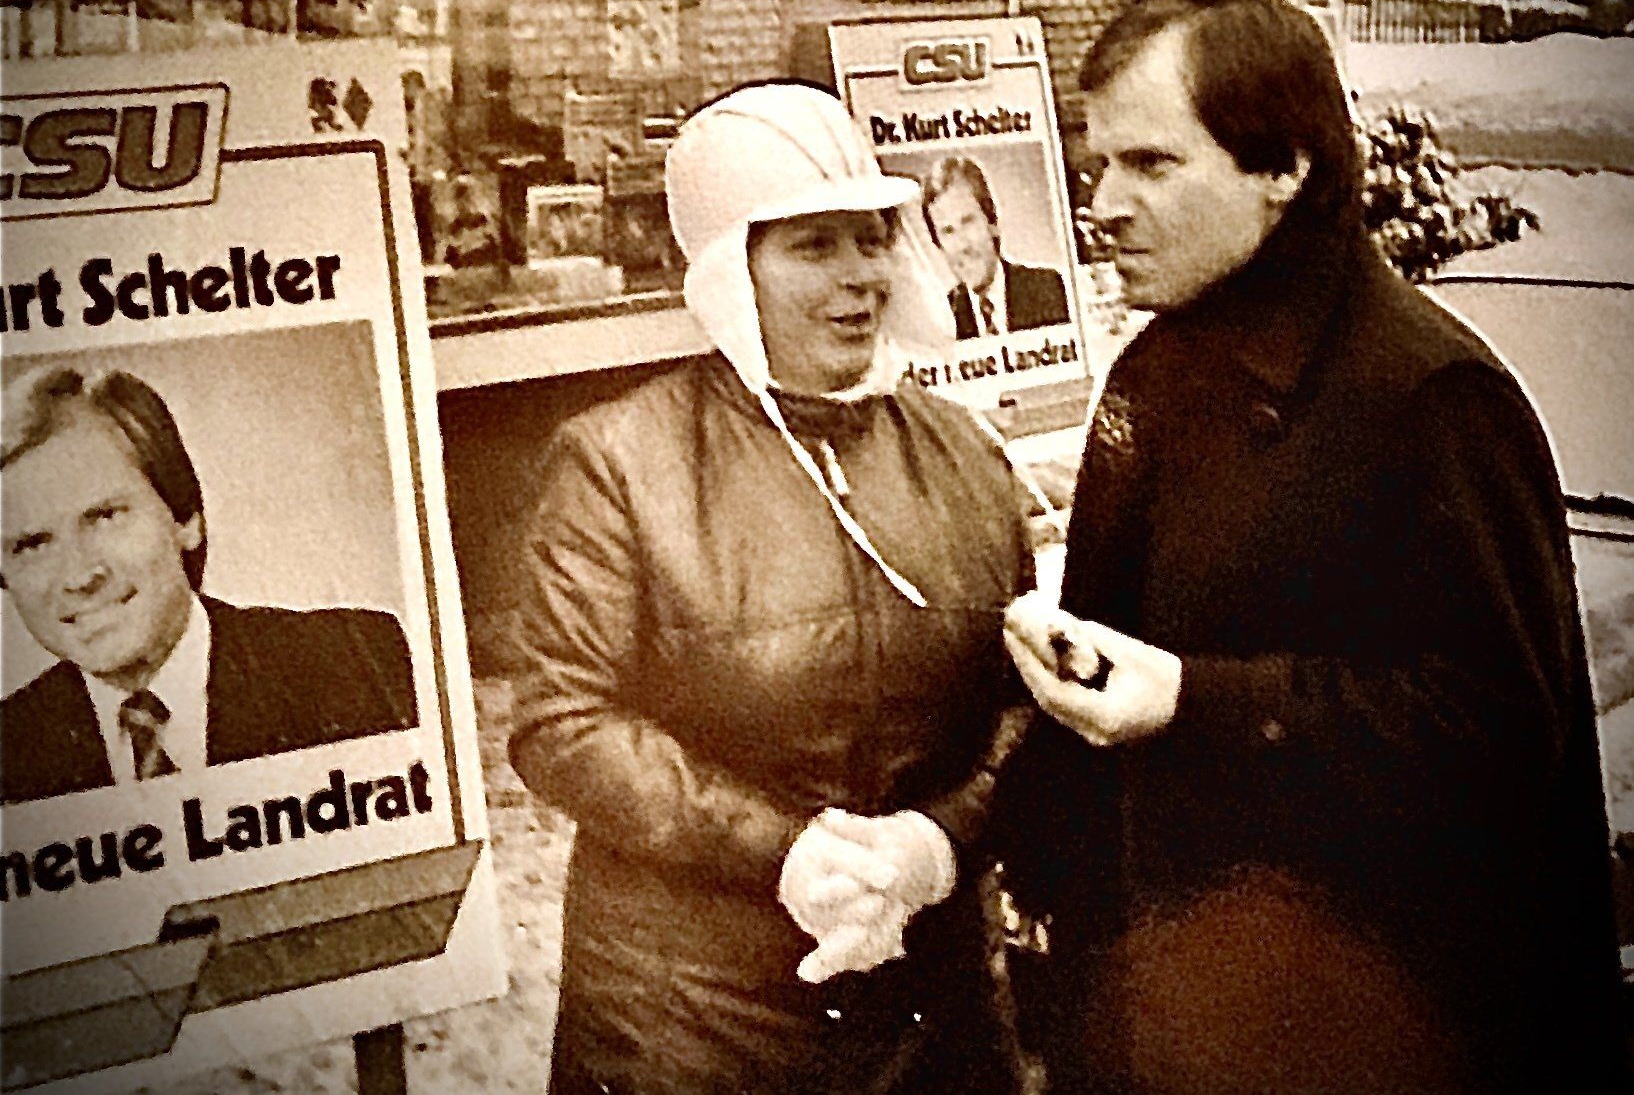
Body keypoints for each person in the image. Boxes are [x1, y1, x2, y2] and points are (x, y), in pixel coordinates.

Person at [998, 0, 1626, 1093]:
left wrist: (1197, 698)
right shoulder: (1160, 362)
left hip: (1356, 1020)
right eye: (1098, 163)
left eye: (1150, 164)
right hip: (1161, 996)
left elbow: (1496, 730)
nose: (1102, 203)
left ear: (1283, 169)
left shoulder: (1427, 396)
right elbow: (1113, 643)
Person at [508, 83, 1034, 1095]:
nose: (858, 278)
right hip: (691, 1020)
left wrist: (937, 840)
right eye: (811, 246)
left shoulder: (965, 455)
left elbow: (1021, 708)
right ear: (729, 270)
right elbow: (559, 720)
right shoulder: (620, 461)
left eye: (871, 237)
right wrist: (779, 852)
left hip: (929, 1011)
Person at [0, 364, 418, 805]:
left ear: (184, 517)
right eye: (31, 545)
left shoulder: (353, 660)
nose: (79, 576)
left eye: (106, 517)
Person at [922, 156, 1070, 339]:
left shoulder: (1047, 287)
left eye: (968, 222)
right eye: (948, 231)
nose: (962, 245)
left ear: (992, 221)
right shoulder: (941, 319)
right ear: (939, 245)